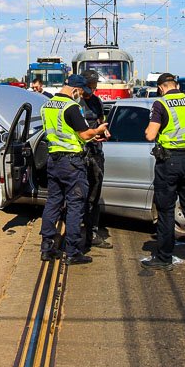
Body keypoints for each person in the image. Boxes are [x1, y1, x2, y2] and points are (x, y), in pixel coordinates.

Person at [141, 72, 185, 271]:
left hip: (168, 162)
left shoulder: (160, 104)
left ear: (161, 88)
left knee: (165, 210)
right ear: (177, 86)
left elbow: (150, 134)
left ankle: (164, 257)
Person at [40, 74, 108, 265]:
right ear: (76, 90)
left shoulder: (47, 105)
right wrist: (98, 131)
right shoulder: (72, 107)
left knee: (53, 202)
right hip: (72, 163)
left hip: (53, 160)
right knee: (75, 205)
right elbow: (85, 134)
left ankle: (46, 247)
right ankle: (72, 252)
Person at [79, 69, 112, 250]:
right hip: (80, 154)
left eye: (95, 85)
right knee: (78, 196)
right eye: (91, 86)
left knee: (94, 194)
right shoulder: (76, 103)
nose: (94, 89)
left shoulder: (97, 102)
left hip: (96, 153)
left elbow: (100, 122)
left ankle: (92, 233)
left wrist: (104, 131)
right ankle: (76, 234)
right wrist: (92, 136)